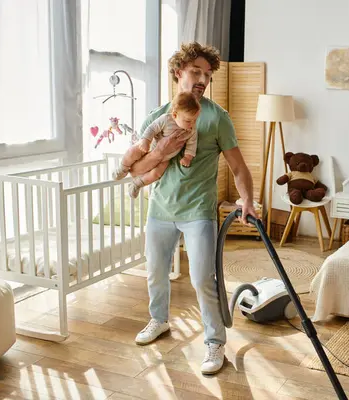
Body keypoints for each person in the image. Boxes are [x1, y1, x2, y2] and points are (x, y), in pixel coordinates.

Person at [130, 42, 258, 375]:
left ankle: (215, 342)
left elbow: (239, 167)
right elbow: (137, 169)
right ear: (178, 73)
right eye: (196, 72)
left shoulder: (217, 118)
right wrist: (161, 151)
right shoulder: (157, 117)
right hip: (160, 209)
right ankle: (158, 320)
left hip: (199, 211)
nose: (203, 79)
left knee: (203, 278)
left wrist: (247, 199)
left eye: (208, 74)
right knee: (156, 273)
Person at [111, 91, 201, 198]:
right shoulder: (166, 119)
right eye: (188, 121)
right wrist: (146, 141)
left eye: (195, 120)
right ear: (175, 115)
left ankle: (137, 184)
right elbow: (152, 128)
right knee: (132, 151)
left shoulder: (191, 130)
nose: (192, 124)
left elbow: (192, 144)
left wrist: (187, 157)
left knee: (156, 174)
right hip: (149, 147)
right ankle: (122, 168)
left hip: (166, 158)